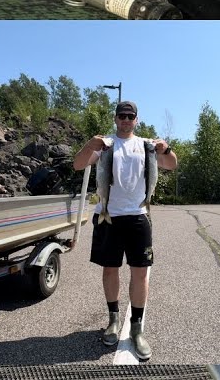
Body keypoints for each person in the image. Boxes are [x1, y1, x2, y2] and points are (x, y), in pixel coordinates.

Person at [72, 100, 178, 361]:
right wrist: (88, 145)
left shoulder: (146, 146)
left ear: (137, 119)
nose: (126, 119)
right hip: (108, 216)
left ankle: (137, 329)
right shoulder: (104, 145)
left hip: (138, 216)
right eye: (122, 115)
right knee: (110, 269)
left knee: (140, 273)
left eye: (130, 116)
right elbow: (77, 164)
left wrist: (167, 148)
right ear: (115, 118)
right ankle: (113, 320)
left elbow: (172, 164)